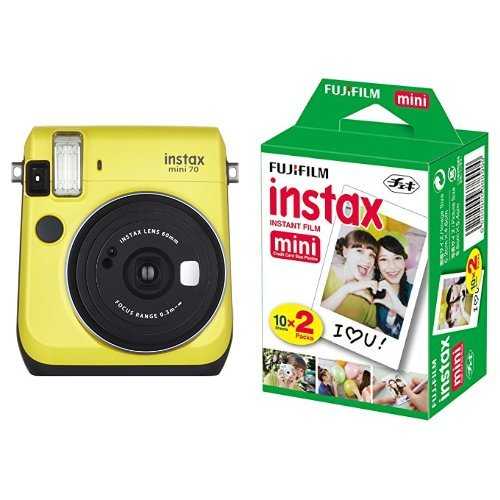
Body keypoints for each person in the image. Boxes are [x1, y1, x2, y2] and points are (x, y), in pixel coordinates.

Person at [322, 230, 378, 328]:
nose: (367, 260)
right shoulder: (325, 274)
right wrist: (346, 289)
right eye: (359, 251)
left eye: (372, 255)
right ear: (345, 252)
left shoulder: (368, 298)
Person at [373, 235, 412, 339]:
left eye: (397, 258)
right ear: (377, 265)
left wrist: (401, 309)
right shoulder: (372, 298)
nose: (392, 266)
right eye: (384, 259)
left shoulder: (415, 292)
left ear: (404, 261)